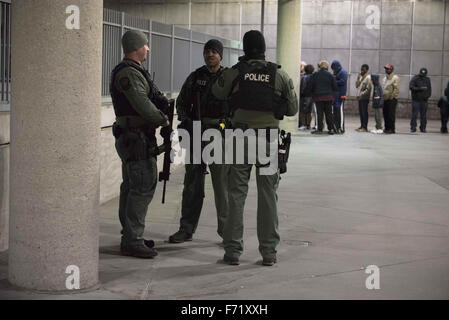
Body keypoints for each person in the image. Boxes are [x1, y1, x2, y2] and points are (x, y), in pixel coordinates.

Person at [211, 30, 298, 266]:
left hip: (240, 137)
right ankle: (268, 253)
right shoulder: (279, 73)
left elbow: (217, 92)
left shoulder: (235, 72)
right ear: (264, 48)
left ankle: (232, 252)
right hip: (268, 140)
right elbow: (292, 109)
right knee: (268, 196)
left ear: (244, 48)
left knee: (236, 194)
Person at [110, 30, 170, 258]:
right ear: (136, 47)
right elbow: (142, 104)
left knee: (131, 187)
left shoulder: (134, 71)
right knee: (142, 186)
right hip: (136, 138)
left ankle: (130, 235)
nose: (147, 49)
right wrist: (162, 119)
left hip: (134, 137)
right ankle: (133, 240)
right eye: (145, 45)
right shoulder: (129, 73)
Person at [168, 39, 230, 243]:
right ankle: (186, 228)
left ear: (221, 55)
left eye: (214, 51)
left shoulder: (228, 78)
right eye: (207, 51)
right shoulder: (195, 77)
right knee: (193, 185)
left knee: (222, 186)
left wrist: (226, 125)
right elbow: (182, 103)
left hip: (219, 137)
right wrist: (186, 121)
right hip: (196, 134)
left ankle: (227, 232)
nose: (210, 54)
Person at [308, 60, 337, 135]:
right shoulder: (330, 75)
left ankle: (319, 129)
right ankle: (331, 129)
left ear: (320, 66)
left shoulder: (315, 75)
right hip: (328, 97)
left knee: (319, 113)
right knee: (329, 113)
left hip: (318, 97)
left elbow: (310, 86)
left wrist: (312, 94)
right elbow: (335, 87)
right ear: (327, 66)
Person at [409, 68, 431, 133]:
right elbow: (411, 87)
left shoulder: (427, 79)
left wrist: (427, 96)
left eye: (424, 75)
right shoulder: (415, 78)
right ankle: (413, 127)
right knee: (414, 114)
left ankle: (423, 128)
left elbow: (429, 89)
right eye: (421, 75)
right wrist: (419, 89)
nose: (422, 76)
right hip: (416, 100)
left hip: (424, 100)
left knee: (423, 115)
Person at [330, 60, 348, 134]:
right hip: (336, 95)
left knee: (339, 111)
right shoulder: (338, 72)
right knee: (335, 111)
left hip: (341, 95)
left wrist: (333, 81)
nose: (333, 70)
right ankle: (336, 126)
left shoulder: (343, 72)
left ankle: (340, 127)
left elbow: (343, 81)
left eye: (333, 68)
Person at [382, 65, 400, 134]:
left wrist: (391, 97)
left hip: (392, 99)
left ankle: (392, 129)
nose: (387, 70)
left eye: (388, 69)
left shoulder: (395, 78)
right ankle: (387, 128)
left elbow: (396, 89)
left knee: (391, 114)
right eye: (386, 69)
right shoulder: (384, 78)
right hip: (385, 99)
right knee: (385, 114)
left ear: (392, 70)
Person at [355, 64, 372, 132]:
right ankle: (362, 125)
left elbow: (368, 89)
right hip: (360, 97)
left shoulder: (368, 77)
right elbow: (357, 86)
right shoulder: (362, 77)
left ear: (367, 70)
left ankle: (365, 127)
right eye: (361, 69)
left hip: (364, 97)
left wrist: (362, 94)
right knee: (361, 112)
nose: (361, 71)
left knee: (364, 112)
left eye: (363, 69)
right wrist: (358, 78)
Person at [298, 64, 314, 131]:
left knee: (303, 111)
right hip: (312, 96)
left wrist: (301, 94)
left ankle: (303, 125)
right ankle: (308, 125)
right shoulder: (314, 77)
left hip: (305, 96)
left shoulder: (305, 77)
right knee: (309, 112)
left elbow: (303, 87)